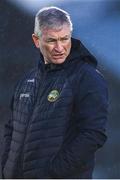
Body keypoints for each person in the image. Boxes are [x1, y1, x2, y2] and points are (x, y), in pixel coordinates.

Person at [1, 6, 108, 179]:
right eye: (52, 40)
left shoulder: (87, 77)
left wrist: (54, 173)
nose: (60, 47)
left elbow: (93, 134)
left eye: (64, 39)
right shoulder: (27, 80)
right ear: (36, 40)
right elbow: (11, 129)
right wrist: (7, 169)